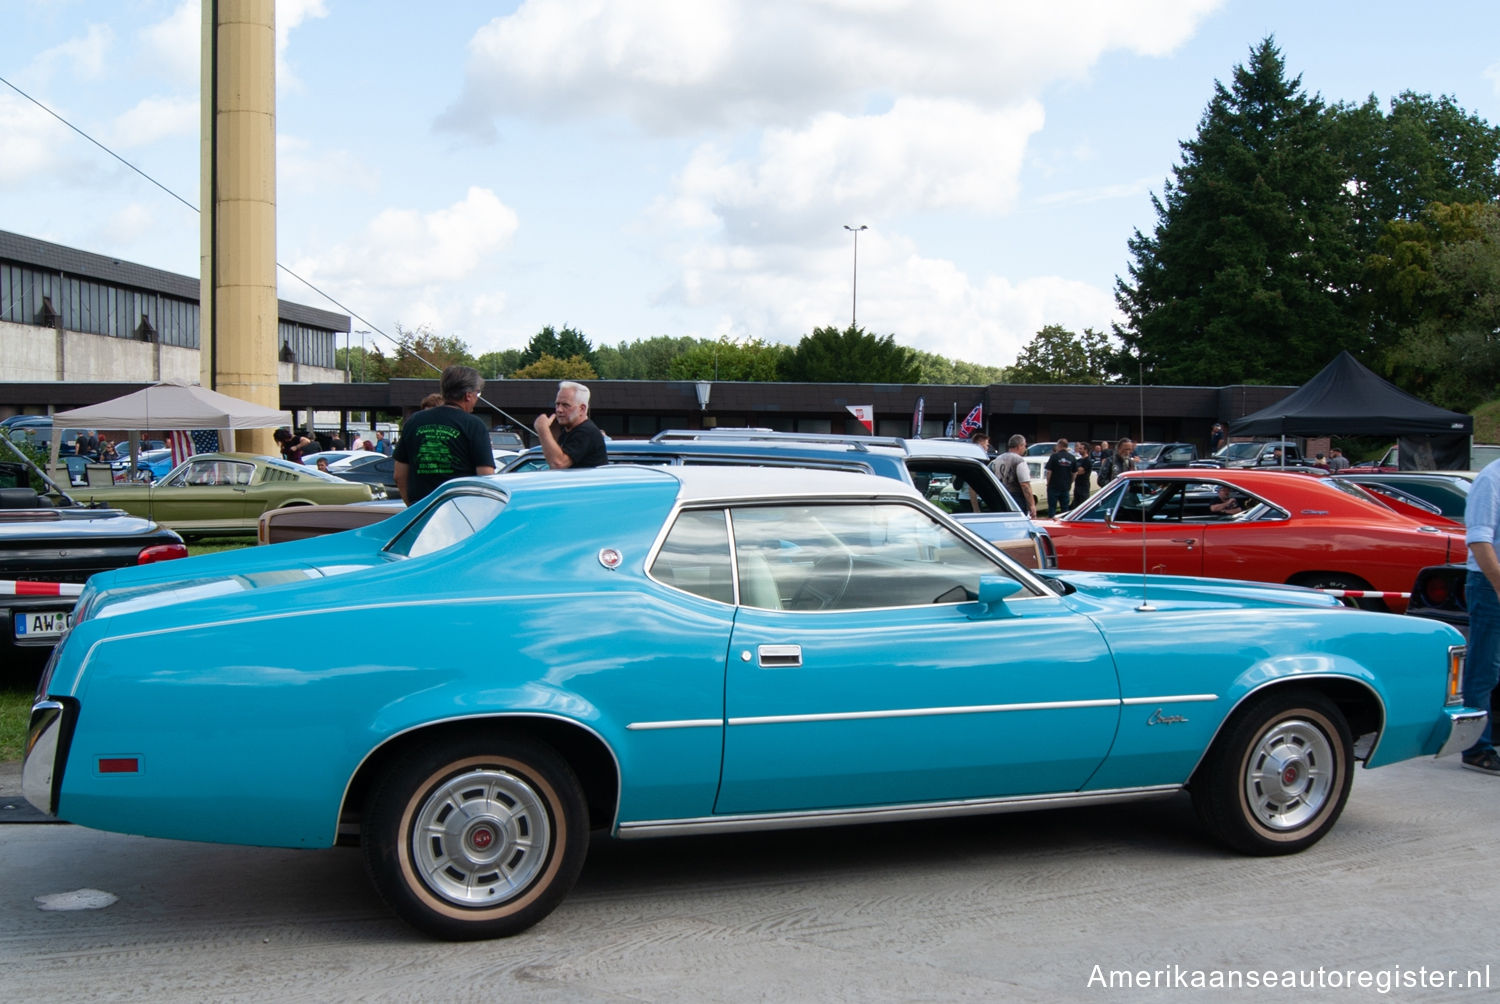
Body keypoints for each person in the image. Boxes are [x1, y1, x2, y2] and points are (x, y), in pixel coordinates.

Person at [392, 365, 496, 504]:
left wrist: (412, 508)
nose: (476, 400)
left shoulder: (414, 421)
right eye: (478, 394)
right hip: (461, 511)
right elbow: (486, 476)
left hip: (421, 512)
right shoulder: (474, 425)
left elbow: (399, 475)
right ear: (468, 395)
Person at [1459, 457, 1500, 774]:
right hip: (1489, 584)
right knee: (1484, 667)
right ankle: (1476, 747)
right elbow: (1479, 540)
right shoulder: (1491, 479)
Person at [533, 380, 607, 469]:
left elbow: (558, 464)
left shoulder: (586, 432)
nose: (559, 410)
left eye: (565, 405)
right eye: (557, 404)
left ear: (582, 409)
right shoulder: (568, 432)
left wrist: (543, 429)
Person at [991, 434, 1035, 516]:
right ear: (1019, 446)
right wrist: (1032, 505)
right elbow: (1025, 485)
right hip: (1016, 498)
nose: (1025, 448)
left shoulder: (998, 459)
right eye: (1025, 446)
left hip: (1001, 495)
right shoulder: (1019, 460)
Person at [1043, 438, 1076, 515]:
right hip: (1065, 487)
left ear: (1060, 445)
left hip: (1054, 486)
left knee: (1052, 508)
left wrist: (1048, 483)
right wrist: (1070, 482)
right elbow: (1074, 473)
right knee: (1065, 509)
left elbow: (1049, 471)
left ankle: (1051, 523)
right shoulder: (1072, 457)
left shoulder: (1054, 456)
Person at [1071, 441, 1093, 508]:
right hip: (1077, 485)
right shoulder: (1078, 460)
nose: (1079, 450)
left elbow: (1079, 471)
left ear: (1086, 450)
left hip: (1084, 487)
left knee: (1083, 505)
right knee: (1075, 504)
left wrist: (1074, 470)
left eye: (1081, 448)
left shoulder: (1088, 460)